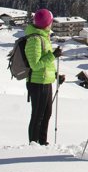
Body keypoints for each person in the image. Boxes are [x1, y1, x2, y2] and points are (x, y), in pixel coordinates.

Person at [24, 8, 63, 146]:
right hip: (36, 82)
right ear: (47, 23)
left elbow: (46, 63)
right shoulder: (34, 39)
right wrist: (53, 55)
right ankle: (34, 144)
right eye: (51, 21)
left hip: (45, 81)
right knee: (38, 115)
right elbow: (35, 64)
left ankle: (42, 142)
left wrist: (56, 76)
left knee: (46, 114)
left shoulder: (43, 37)